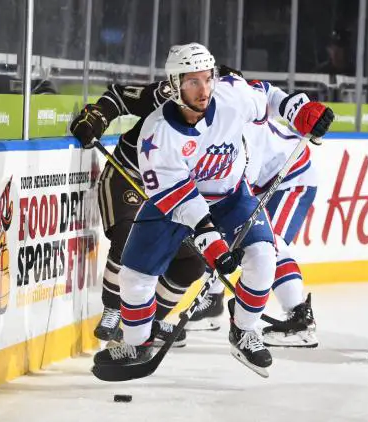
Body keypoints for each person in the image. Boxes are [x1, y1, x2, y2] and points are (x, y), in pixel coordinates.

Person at [90, 43, 333, 376]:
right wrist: (215, 247)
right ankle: (136, 342)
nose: (204, 89)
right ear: (175, 84)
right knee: (135, 276)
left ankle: (244, 331)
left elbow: (268, 97)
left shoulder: (232, 96)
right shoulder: (156, 135)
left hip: (231, 197)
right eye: (193, 81)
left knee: (264, 254)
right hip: (175, 205)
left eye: (207, 79)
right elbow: (183, 201)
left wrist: (298, 110)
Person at [70, 80, 204, 349]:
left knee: (192, 261)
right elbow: (119, 96)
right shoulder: (166, 95)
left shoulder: (223, 121)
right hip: (127, 177)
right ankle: (113, 310)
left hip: (169, 193)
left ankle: (148, 321)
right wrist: (96, 118)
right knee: (128, 236)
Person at [189, 79, 319, 348]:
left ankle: (299, 319)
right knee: (221, 234)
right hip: (258, 182)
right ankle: (212, 302)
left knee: (269, 245)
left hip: (290, 177)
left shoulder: (239, 120)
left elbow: (238, 185)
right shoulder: (212, 116)